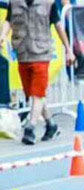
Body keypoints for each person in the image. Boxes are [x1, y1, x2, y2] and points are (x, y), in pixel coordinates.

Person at [0, 0, 74, 144]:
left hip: (42, 54)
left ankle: (30, 128)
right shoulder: (14, 3)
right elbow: (8, 21)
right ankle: (51, 125)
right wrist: (3, 35)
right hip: (22, 53)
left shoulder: (48, 3)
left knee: (38, 93)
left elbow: (59, 26)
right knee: (31, 94)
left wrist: (68, 50)